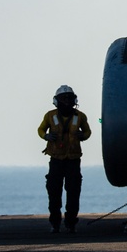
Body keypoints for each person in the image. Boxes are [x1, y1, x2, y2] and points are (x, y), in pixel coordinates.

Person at [37, 85, 91, 234]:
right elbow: (40, 129)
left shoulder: (80, 117)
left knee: (73, 193)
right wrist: (46, 136)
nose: (67, 101)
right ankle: (55, 223)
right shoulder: (50, 116)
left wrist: (83, 136)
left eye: (69, 98)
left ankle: (71, 223)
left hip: (73, 160)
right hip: (56, 160)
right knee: (54, 193)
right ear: (57, 101)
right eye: (64, 98)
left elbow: (87, 132)